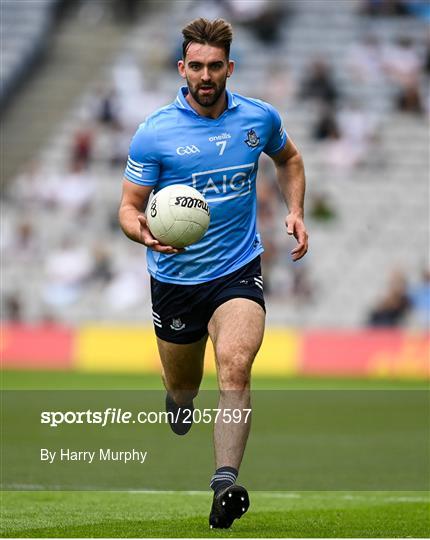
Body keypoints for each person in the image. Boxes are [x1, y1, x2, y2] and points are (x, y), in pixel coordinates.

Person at [118, 17, 308, 529]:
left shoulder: (259, 118)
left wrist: (295, 210)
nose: (205, 75)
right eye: (196, 66)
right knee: (185, 388)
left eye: (215, 66)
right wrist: (143, 233)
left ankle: (225, 483)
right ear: (182, 68)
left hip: (236, 269)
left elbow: (288, 159)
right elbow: (128, 208)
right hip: (176, 280)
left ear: (230, 68)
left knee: (236, 365)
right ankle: (178, 401)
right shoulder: (155, 132)